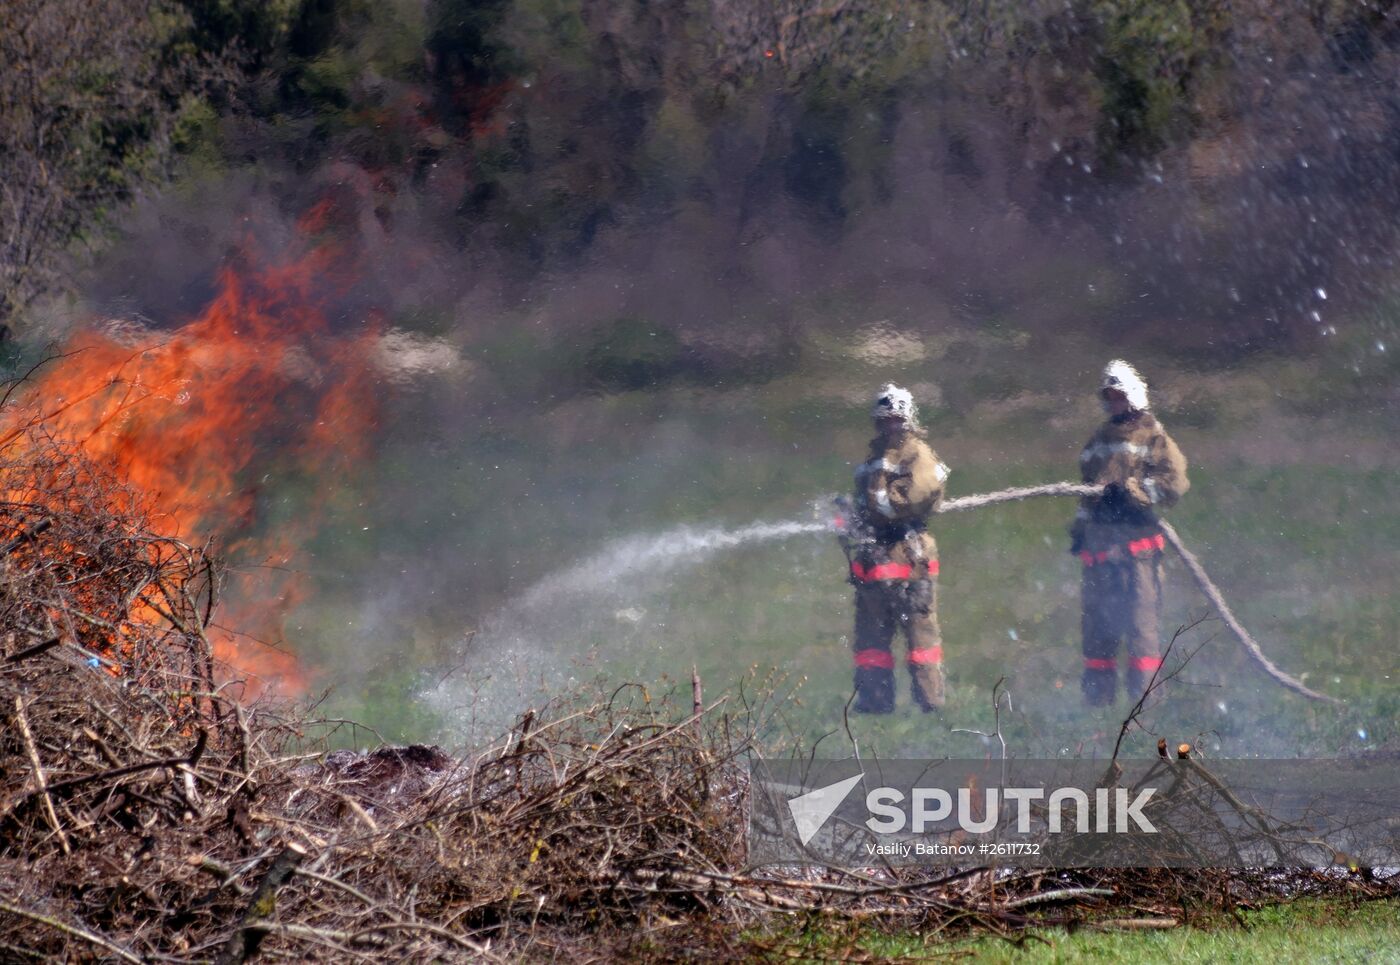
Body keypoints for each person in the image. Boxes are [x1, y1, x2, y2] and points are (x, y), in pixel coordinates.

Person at [1070, 360, 1190, 706]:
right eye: (1109, 397)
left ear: (1134, 396)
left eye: (1119, 396)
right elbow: (1086, 490)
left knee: (1141, 629)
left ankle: (1146, 707)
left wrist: (1134, 491)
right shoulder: (1098, 441)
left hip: (1138, 552)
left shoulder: (1154, 437)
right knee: (1097, 633)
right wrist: (1080, 529)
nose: (1114, 403)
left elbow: (1174, 485)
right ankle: (1098, 706)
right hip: (1099, 550)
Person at [843, 384, 950, 714]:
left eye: (897, 419)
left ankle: (930, 703)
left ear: (909, 420)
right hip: (873, 564)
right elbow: (865, 501)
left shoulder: (919, 455)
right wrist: (848, 515)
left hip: (910, 560)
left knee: (921, 639)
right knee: (871, 641)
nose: (891, 425)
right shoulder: (873, 459)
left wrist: (873, 508)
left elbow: (914, 498)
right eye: (885, 419)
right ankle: (875, 702)